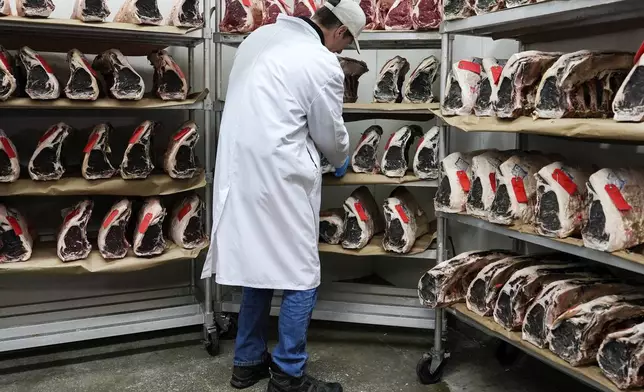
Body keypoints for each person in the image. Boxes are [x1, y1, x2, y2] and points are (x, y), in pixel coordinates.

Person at [201, 1, 366, 391]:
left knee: (259, 266)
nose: (341, 53)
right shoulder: (320, 60)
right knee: (300, 275)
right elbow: (329, 131)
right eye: (345, 46)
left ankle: (246, 362)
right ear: (340, 32)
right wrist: (341, 157)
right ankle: (289, 375)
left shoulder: (259, 37)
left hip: (240, 171)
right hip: (281, 175)